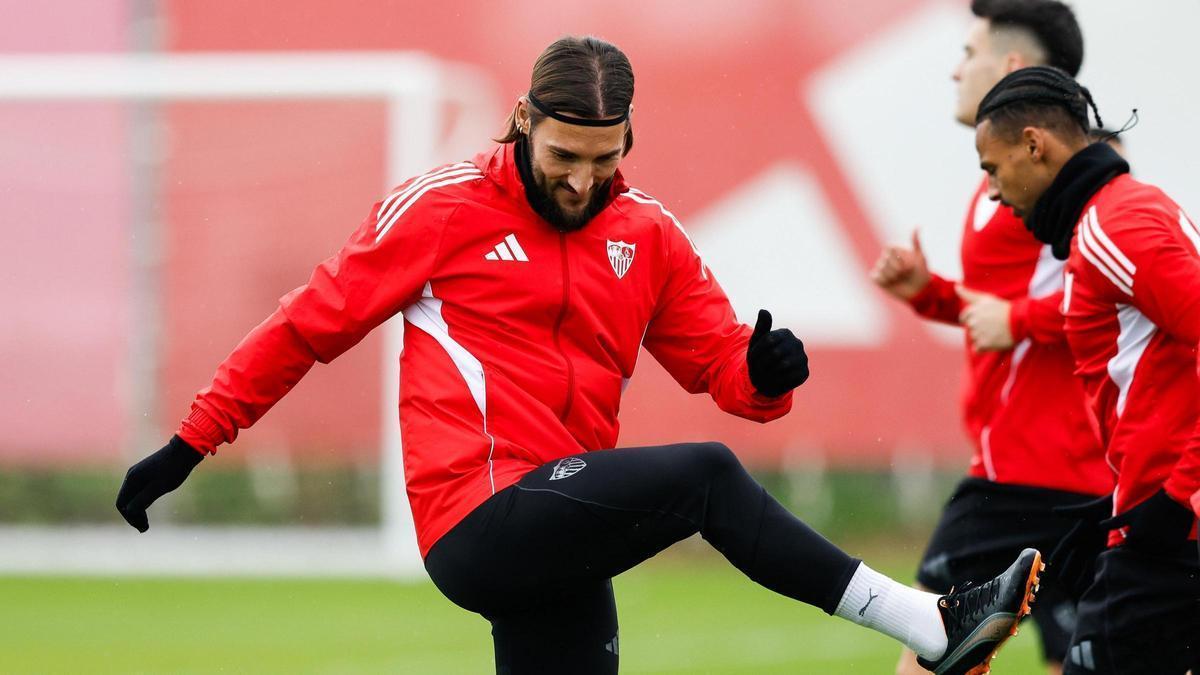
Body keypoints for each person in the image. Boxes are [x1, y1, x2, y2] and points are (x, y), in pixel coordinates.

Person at [116, 36, 1042, 675]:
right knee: (706, 477)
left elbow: (725, 370)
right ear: (522, 118)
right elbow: (303, 328)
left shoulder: (648, 233)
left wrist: (764, 374)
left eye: (602, 158)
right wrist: (188, 445)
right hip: (477, 515)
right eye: (562, 155)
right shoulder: (440, 210)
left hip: (565, 516)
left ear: (627, 139)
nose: (580, 178)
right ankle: (931, 622)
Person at [869, 3, 1112, 673]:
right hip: (1061, 468)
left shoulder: (1081, 169)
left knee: (930, 647)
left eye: (968, 52)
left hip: (1029, 472)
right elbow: (1011, 308)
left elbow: (1125, 291)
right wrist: (930, 292)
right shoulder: (1004, 172)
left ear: (1011, 65)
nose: (955, 68)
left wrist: (1021, 322)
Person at [974, 65, 1200, 675]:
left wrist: (1180, 496)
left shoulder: (1112, 227)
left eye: (992, 169)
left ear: (1033, 144)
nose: (993, 191)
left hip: (1174, 534)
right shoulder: (1119, 215)